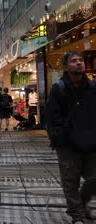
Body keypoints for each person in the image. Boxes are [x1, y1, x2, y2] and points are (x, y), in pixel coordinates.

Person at [45, 51, 96, 224]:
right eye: (74, 61)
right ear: (66, 67)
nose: (79, 63)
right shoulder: (58, 89)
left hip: (91, 141)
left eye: (81, 60)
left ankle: (81, 204)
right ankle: (77, 215)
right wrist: (59, 136)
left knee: (94, 179)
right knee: (70, 182)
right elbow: (51, 116)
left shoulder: (92, 88)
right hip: (68, 145)